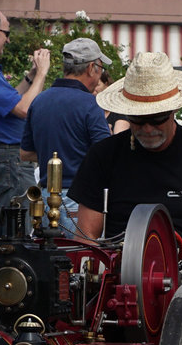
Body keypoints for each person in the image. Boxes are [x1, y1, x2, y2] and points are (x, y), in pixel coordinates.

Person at [70, 52, 182, 277]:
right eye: (138, 120)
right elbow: (86, 239)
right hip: (121, 277)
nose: (148, 128)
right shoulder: (102, 156)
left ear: (174, 110)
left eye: (158, 118)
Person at [19, 38, 112, 236]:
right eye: (101, 68)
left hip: (44, 200)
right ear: (91, 68)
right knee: (82, 263)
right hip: (80, 200)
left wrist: (56, 151)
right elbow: (105, 154)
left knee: (47, 263)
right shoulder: (90, 104)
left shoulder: (39, 101)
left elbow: (25, 153)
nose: (100, 75)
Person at [0, 8, 52, 235]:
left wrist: (29, 77)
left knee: (1, 226)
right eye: (6, 33)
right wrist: (42, 75)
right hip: (10, 158)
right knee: (16, 229)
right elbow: (24, 108)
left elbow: (11, 103)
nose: (8, 39)